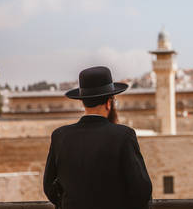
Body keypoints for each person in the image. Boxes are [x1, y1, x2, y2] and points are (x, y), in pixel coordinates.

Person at [43, 66, 152, 209]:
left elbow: (49, 186)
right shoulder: (123, 136)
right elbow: (142, 190)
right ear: (109, 103)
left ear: (83, 102)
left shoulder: (60, 136)